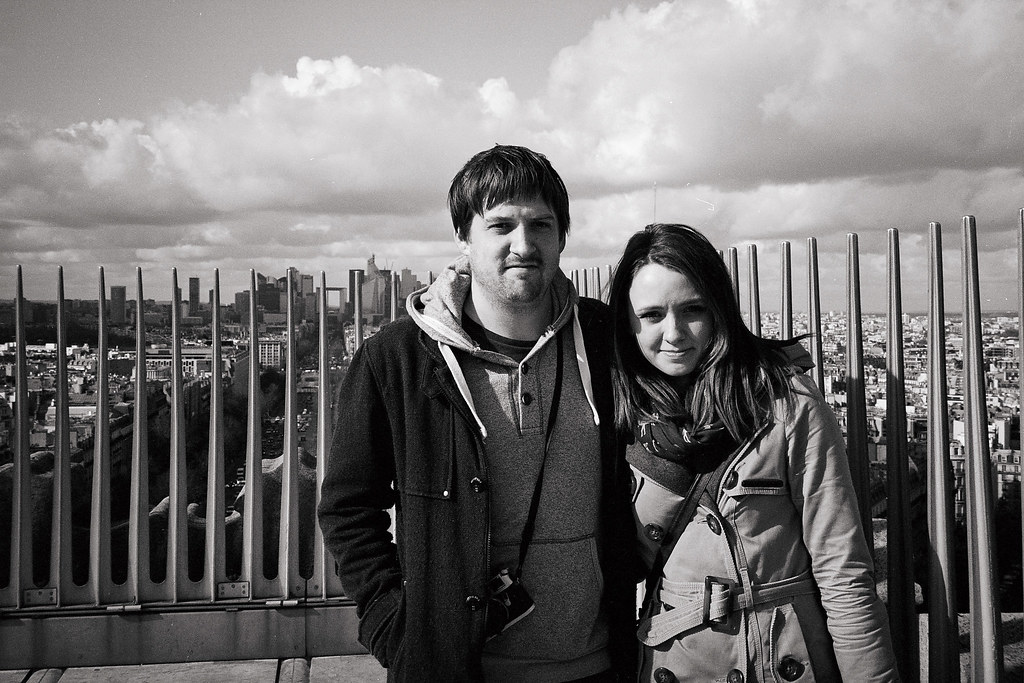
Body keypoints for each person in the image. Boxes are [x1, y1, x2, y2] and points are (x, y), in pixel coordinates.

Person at [318, 145, 637, 682]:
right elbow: (349, 509)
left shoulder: (608, 341)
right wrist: (395, 629)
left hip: (597, 665)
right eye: (501, 225)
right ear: (463, 236)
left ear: (563, 236)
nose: (524, 243)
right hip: (455, 669)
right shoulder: (395, 359)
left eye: (541, 224)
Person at [609, 224, 899, 682]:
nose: (675, 333)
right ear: (628, 324)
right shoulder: (622, 416)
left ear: (720, 310)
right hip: (675, 659)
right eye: (651, 315)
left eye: (693, 310)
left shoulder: (787, 407)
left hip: (775, 654)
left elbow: (842, 571)